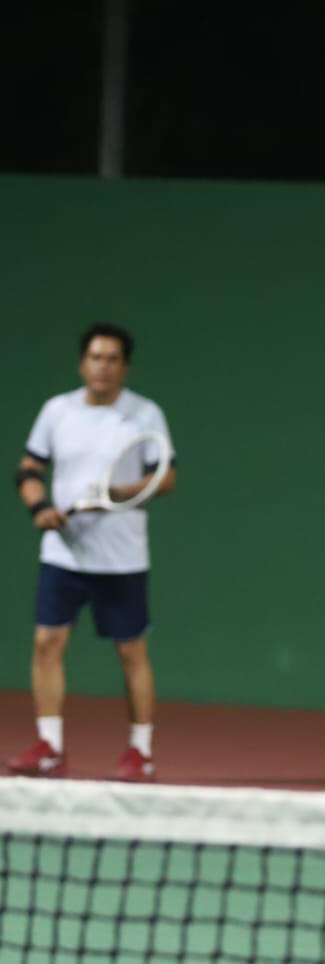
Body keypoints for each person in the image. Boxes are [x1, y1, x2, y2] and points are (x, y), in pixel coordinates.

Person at [11, 323, 177, 783]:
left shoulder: (145, 415)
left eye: (112, 359)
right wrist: (39, 507)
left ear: (124, 366)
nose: (102, 366)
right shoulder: (56, 411)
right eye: (95, 357)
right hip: (63, 554)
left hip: (121, 558)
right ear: (82, 362)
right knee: (47, 643)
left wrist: (122, 490)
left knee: (131, 652)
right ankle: (49, 746)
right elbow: (28, 468)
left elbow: (165, 478)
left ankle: (140, 751)